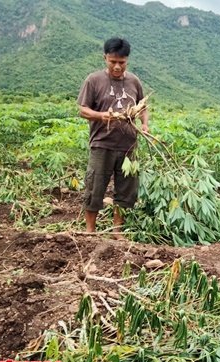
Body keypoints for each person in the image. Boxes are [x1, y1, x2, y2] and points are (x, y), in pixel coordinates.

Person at [77, 37, 149, 237]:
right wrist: (102, 116)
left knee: (126, 190)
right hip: (102, 144)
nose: (117, 67)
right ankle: (90, 231)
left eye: (122, 62)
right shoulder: (93, 80)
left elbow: (143, 105)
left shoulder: (134, 81)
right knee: (95, 187)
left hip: (128, 146)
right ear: (105, 58)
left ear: (127, 60)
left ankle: (117, 231)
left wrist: (144, 124)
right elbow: (83, 110)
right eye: (113, 62)